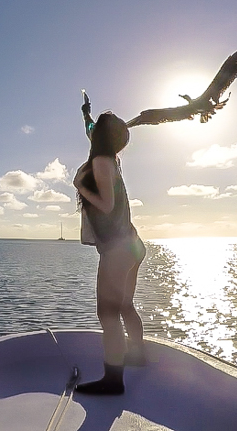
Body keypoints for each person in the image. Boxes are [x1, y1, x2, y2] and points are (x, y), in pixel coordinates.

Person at [73, 111, 147, 394]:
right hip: (132, 244)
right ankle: (137, 354)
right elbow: (92, 129)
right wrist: (86, 115)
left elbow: (105, 205)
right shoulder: (110, 158)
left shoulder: (102, 162)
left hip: (118, 249)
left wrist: (80, 186)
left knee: (107, 313)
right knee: (124, 305)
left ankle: (113, 380)